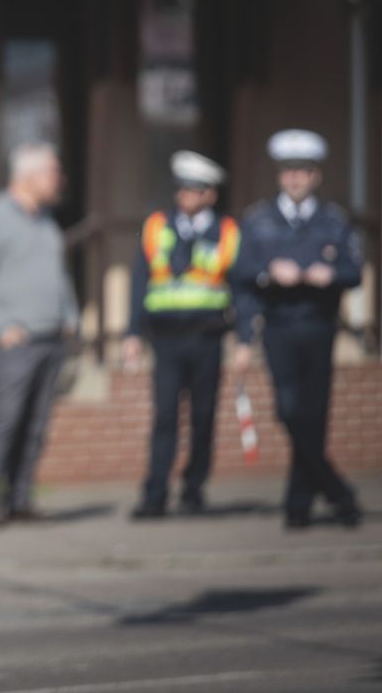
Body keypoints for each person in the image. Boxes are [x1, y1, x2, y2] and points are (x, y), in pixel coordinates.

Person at [234, 129, 363, 530]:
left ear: (315, 176)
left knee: (315, 415)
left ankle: (299, 505)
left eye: (303, 172)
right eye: (289, 172)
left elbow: (354, 270)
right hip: (280, 326)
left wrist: (331, 275)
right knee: (288, 410)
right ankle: (337, 490)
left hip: (319, 324)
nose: (295, 179)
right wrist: (269, 273)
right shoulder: (259, 220)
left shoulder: (333, 220)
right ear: (279, 176)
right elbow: (240, 272)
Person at [123, 151, 248, 519]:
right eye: (181, 190)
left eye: (194, 191)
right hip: (166, 338)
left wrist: (244, 339)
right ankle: (155, 494)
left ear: (210, 194)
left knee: (203, 415)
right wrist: (132, 333)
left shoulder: (226, 231)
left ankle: (194, 490)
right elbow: (138, 282)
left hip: (207, 337)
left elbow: (241, 288)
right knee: (164, 417)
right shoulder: (156, 227)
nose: (186, 197)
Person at [0, 143, 77, 527]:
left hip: (51, 338)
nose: (58, 179)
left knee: (37, 424)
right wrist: (0, 325)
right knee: (6, 420)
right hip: (17, 342)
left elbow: (58, 275)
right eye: (53, 172)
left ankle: (21, 497)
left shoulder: (45, 220)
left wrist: (69, 315)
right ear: (28, 176)